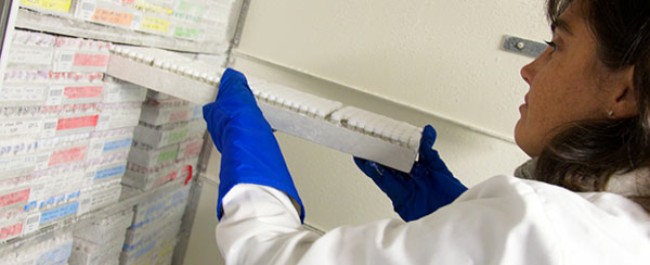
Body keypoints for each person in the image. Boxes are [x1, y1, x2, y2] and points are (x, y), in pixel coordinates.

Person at [202, 0, 650, 263]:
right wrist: (456, 215)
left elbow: (273, 256)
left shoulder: (546, 230)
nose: (531, 69)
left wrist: (254, 178)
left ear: (624, 92)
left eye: (557, 48)